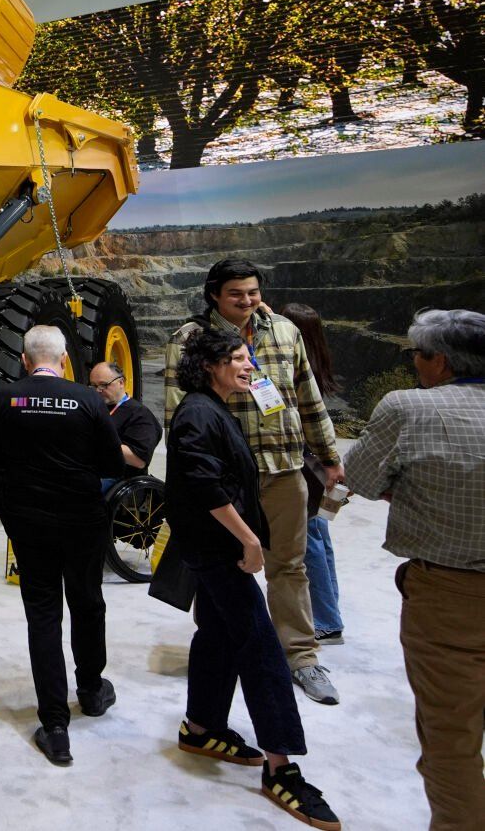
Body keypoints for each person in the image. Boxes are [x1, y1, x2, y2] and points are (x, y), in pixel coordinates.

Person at [167, 326, 342, 830]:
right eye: (238, 359)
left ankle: (200, 727)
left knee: (219, 635)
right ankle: (281, 767)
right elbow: (203, 483)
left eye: (249, 357)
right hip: (217, 551)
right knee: (263, 650)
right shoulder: (199, 413)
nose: (249, 366)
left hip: (213, 549)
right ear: (209, 366)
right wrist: (247, 540)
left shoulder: (213, 407)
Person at [164, 258, 345, 706]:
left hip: (284, 469)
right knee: (220, 570)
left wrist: (329, 457)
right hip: (227, 479)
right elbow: (177, 413)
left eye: (253, 292)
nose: (247, 301)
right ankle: (222, 649)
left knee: (290, 566)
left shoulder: (285, 331)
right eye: (235, 294)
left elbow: (308, 397)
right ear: (213, 295)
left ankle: (301, 658)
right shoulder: (189, 340)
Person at [345, 308, 485, 831]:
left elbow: (359, 476)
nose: (414, 364)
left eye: (416, 354)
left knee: (452, 740)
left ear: (440, 361)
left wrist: (404, 483)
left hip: (451, 595)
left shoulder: (408, 408)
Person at [0, 324, 127, 766]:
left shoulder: (4, 398)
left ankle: (55, 725)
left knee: (43, 613)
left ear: (24, 360)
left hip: (29, 520)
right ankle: (92, 691)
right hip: (83, 518)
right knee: (87, 603)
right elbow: (113, 463)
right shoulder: (87, 399)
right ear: (63, 360)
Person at [280, 302, 345, 645]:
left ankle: (325, 619)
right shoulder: (316, 364)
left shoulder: (295, 366)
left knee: (309, 543)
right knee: (320, 536)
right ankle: (330, 608)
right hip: (316, 462)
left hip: (303, 462)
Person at [91, 360, 161, 490]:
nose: (98, 390)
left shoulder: (140, 415)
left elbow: (138, 460)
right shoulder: (94, 407)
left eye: (103, 385)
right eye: (94, 386)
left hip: (117, 477)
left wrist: (97, 441)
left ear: (121, 382)